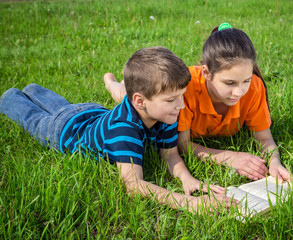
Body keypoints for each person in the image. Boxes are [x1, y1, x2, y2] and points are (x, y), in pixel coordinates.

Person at [0, 47, 234, 212]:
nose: (181, 106)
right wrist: (188, 203)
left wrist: (187, 179)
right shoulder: (125, 129)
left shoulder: (166, 113)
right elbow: (133, 185)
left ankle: (33, 89)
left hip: (90, 112)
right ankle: (10, 96)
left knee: (64, 106)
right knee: (32, 117)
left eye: (181, 97)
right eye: (172, 99)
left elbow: (170, 154)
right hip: (64, 131)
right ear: (140, 101)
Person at [104, 24, 293, 183]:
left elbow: (265, 139)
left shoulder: (254, 88)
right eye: (229, 83)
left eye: (246, 80)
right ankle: (112, 83)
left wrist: (275, 162)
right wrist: (229, 157)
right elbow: (183, 145)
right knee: (128, 98)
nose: (240, 91)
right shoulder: (185, 90)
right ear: (206, 73)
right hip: (149, 100)